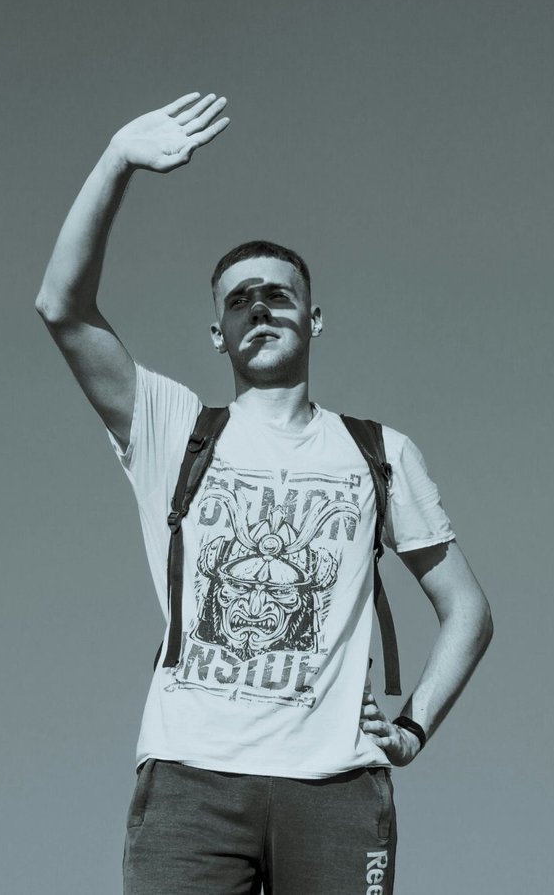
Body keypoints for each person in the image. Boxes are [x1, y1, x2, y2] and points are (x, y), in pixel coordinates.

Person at [35, 92, 493, 894]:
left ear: (315, 318)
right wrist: (117, 159)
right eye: (239, 298)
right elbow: (61, 308)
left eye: (278, 293)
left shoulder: (377, 452)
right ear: (218, 332)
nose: (260, 306)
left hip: (339, 791)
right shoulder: (176, 430)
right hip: (191, 784)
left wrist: (414, 724)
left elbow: (468, 608)